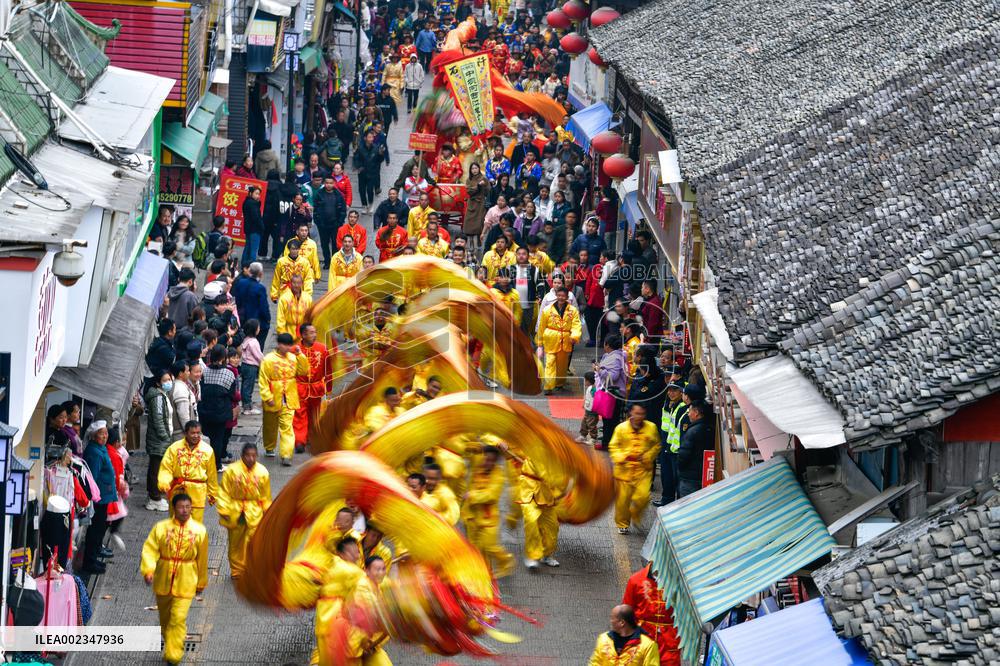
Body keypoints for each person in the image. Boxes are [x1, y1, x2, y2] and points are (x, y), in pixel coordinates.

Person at [141, 493, 209, 666]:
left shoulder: (200, 531)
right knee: (165, 619)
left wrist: (201, 581)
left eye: (188, 507)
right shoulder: (161, 528)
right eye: (181, 507)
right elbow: (150, 549)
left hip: (186, 580)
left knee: (178, 618)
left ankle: (174, 655)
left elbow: (202, 559)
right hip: (163, 579)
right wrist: (148, 570)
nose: (185, 510)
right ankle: (171, 644)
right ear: (173, 508)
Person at [217, 443, 271, 579]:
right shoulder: (232, 470)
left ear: (257, 456)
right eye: (248, 455)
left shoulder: (262, 471)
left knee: (253, 541)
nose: (251, 459)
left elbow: (265, 496)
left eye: (253, 455)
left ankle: (250, 567)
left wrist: (268, 511)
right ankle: (236, 570)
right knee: (235, 543)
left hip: (254, 511)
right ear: (242, 456)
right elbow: (224, 491)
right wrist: (224, 509)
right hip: (235, 510)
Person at [259, 333, 310, 465]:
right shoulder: (268, 359)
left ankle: (286, 454)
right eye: (285, 345)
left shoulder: (293, 358)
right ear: (278, 344)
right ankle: (269, 447)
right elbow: (263, 380)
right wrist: (267, 396)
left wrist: (300, 355)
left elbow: (303, 371)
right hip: (273, 395)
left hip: (289, 397)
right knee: (270, 425)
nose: (288, 348)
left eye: (289, 345)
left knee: (287, 427)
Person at [463, 445, 514, 577]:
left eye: (492, 460)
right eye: (486, 459)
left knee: (489, 546)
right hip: (472, 516)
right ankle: (483, 573)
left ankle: (506, 560)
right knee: (476, 550)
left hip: (489, 519)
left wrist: (472, 495)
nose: (488, 463)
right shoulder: (477, 468)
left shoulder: (499, 475)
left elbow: (491, 495)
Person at [608, 405, 660, 534]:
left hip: (643, 470)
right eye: (636, 413)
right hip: (624, 471)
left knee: (643, 497)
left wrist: (648, 456)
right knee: (622, 500)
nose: (639, 416)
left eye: (641, 413)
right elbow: (613, 446)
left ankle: (636, 514)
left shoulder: (651, 428)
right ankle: (622, 523)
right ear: (631, 412)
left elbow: (657, 445)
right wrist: (621, 457)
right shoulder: (620, 428)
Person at [157, 421, 219, 523]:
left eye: (198, 433)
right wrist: (164, 482)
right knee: (175, 522)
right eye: (192, 433)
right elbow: (166, 467)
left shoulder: (208, 450)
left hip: (197, 492)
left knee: (195, 526)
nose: (196, 436)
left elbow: (211, 474)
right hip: (178, 490)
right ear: (186, 433)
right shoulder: (174, 448)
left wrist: (213, 493)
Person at [622, 563, 681, 665]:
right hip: (642, 641)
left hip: (669, 644)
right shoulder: (635, 580)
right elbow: (626, 615)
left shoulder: (678, 584)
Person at [81, 421, 117, 574]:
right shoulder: (94, 452)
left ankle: (94, 557)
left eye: (106, 433)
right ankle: (89, 562)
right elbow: (93, 477)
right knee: (95, 529)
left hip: (103, 496)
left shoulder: (100, 448)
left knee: (99, 527)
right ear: (94, 436)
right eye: (101, 434)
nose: (105, 436)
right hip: (98, 498)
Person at [293, 324, 331, 453]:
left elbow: (328, 369)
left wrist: (328, 387)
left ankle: (310, 437)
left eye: (315, 332)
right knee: (299, 414)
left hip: (316, 388)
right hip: (300, 387)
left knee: (314, 414)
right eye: (311, 333)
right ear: (303, 335)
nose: (314, 335)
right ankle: (299, 441)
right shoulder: (295, 350)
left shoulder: (323, 349)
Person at [536, 286, 582, 395]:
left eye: (563, 296)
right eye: (559, 295)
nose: (561, 298)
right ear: (556, 295)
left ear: (567, 297)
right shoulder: (547, 310)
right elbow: (542, 326)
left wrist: (574, 336)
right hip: (550, 339)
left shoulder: (573, 310)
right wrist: (539, 344)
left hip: (565, 340)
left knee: (562, 365)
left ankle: (559, 384)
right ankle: (548, 386)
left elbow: (576, 324)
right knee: (550, 362)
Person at [198, 345, 238, 467]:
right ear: (223, 357)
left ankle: (206, 462)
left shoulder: (204, 372)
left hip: (205, 410)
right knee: (218, 439)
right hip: (221, 411)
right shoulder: (229, 374)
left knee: (207, 436)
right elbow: (232, 395)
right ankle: (217, 464)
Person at [588, 604, 660, 666]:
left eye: (612, 618)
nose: (611, 621)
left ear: (622, 622)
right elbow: (595, 663)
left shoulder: (648, 645)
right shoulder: (603, 639)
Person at [145, 371, 175, 512]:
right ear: (158, 383)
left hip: (162, 439)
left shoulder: (163, 395)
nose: (169, 382)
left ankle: (155, 496)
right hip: (158, 440)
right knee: (155, 469)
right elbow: (158, 419)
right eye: (165, 380)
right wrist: (165, 437)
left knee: (158, 468)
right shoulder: (157, 397)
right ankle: (154, 498)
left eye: (170, 379)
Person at [595, 335, 628, 451]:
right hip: (613, 394)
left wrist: (599, 370)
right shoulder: (615, 356)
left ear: (607, 345)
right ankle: (608, 442)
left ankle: (608, 444)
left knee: (610, 421)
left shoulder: (615, 358)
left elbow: (613, 376)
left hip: (614, 394)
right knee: (609, 420)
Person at [676, 400, 712, 497]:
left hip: (690, 479)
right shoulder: (710, 428)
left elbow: (683, 456)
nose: (688, 414)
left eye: (690, 411)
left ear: (696, 413)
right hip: (702, 476)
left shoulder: (692, 431)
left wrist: (680, 469)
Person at [313, 176, 348, 268]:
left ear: (334, 183)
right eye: (327, 183)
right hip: (323, 224)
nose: (329, 185)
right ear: (324, 183)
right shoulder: (319, 194)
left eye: (331, 183)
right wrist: (318, 221)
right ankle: (327, 261)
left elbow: (343, 210)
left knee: (335, 244)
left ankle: (334, 261)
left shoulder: (338, 195)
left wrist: (340, 222)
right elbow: (315, 209)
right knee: (324, 243)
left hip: (335, 224)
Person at [354, 131, 385, 211]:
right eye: (370, 137)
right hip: (362, 173)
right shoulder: (360, 148)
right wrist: (358, 167)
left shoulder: (376, 148)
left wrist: (381, 154)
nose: (371, 139)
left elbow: (379, 160)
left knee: (370, 189)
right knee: (362, 190)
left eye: (372, 137)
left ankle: (371, 203)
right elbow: (356, 158)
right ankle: (364, 205)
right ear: (365, 138)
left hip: (372, 173)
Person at [277, 274, 313, 340]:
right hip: (288, 331)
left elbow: (310, 316)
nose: (296, 285)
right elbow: (280, 318)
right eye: (294, 283)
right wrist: (282, 333)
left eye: (299, 283)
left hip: (303, 332)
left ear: (302, 284)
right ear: (290, 283)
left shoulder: (308, 298)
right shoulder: (284, 298)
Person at [463, 163, 489, 254]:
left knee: (479, 224)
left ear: (479, 169)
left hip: (480, 204)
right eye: (472, 168)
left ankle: (478, 244)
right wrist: (477, 186)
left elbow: (488, 191)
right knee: (468, 224)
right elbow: (469, 191)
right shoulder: (468, 180)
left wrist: (484, 185)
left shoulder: (484, 179)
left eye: (476, 168)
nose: (474, 170)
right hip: (472, 203)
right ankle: (469, 244)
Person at [239, 320, 263, 414]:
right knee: (249, 387)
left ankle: (245, 405)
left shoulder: (246, 339)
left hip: (244, 365)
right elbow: (258, 355)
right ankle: (247, 407)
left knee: (245, 386)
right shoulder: (254, 342)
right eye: (258, 327)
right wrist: (265, 363)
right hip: (251, 366)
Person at [146, 319, 177, 383]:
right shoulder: (165, 349)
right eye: (174, 330)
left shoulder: (157, 340)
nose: (175, 332)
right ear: (170, 332)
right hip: (157, 379)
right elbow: (173, 359)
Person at [241, 185, 265, 265]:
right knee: (253, 250)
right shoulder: (253, 204)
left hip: (248, 229)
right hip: (255, 229)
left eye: (259, 194)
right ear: (251, 193)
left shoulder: (246, 202)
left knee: (248, 247)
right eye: (256, 193)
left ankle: (244, 265)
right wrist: (262, 227)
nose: (258, 196)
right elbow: (256, 218)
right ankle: (252, 268)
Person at [579, 371, 599, 446]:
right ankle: (583, 435)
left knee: (591, 425)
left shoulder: (593, 388)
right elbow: (587, 397)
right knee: (584, 423)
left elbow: (595, 397)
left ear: (588, 381)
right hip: (588, 410)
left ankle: (593, 438)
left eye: (585, 380)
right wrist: (584, 404)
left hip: (592, 411)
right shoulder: (590, 388)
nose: (584, 382)